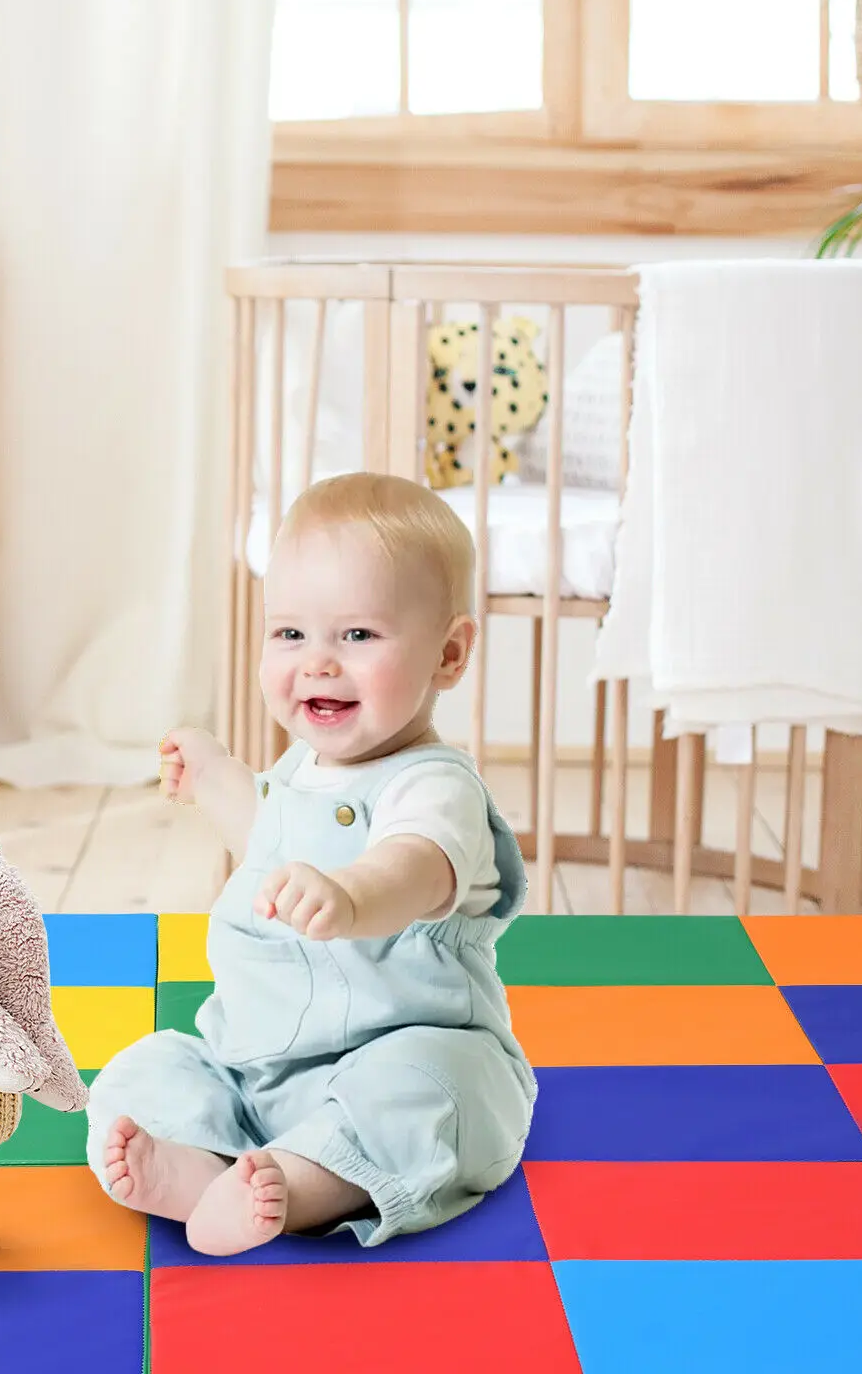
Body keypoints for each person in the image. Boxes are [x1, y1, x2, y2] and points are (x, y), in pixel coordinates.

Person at [85, 470, 536, 1254]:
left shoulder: (434, 787)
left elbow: (416, 867)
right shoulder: (302, 769)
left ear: (449, 654)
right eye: (291, 634)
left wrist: (353, 895)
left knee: (432, 1097)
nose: (319, 663)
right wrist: (215, 774)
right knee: (144, 1066)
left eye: (357, 636)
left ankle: (298, 1189)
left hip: (401, 1048)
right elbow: (267, 832)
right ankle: (196, 1166)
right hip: (254, 1065)